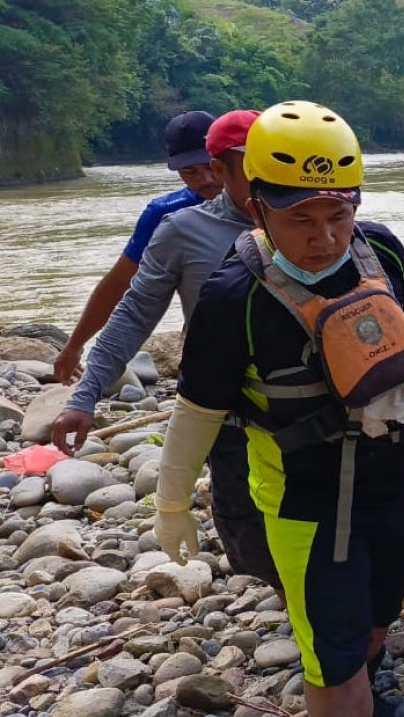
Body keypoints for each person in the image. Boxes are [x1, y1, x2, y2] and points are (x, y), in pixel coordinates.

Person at [150, 100, 404, 717]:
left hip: (389, 484)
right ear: (257, 206)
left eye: (339, 213)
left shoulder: (380, 249)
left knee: (377, 617)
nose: (325, 236)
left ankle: (370, 699)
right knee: (330, 654)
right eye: (302, 218)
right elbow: (198, 409)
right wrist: (171, 500)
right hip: (305, 505)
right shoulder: (231, 297)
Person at [50, 110, 280, 588]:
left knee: (320, 511)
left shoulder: (308, 214)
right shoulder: (179, 228)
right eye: (251, 166)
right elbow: (133, 308)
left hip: (308, 399)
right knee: (244, 527)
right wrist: (84, 392)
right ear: (222, 169)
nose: (266, 178)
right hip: (229, 406)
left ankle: (331, 619)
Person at [54, 110, 224, 384]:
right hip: (211, 342)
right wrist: (74, 345)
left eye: (210, 166)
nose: (205, 179)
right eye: (190, 171)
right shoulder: (165, 214)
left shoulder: (269, 199)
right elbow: (120, 281)